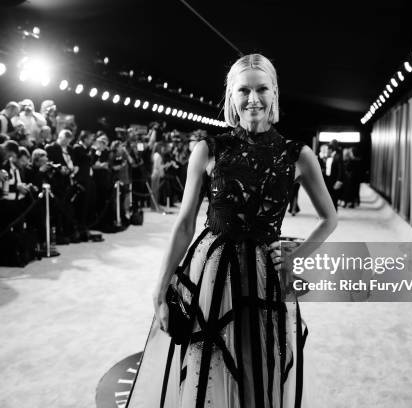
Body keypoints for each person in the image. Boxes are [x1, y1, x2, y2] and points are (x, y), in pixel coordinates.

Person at [126, 54, 337, 407]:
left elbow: (329, 219)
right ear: (231, 96)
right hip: (212, 273)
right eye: (244, 90)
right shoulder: (209, 149)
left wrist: (295, 256)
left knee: (261, 364)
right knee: (209, 365)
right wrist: (160, 288)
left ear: (274, 94)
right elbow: (184, 223)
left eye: (262, 89)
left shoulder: (297, 154)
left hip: (266, 275)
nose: (253, 99)